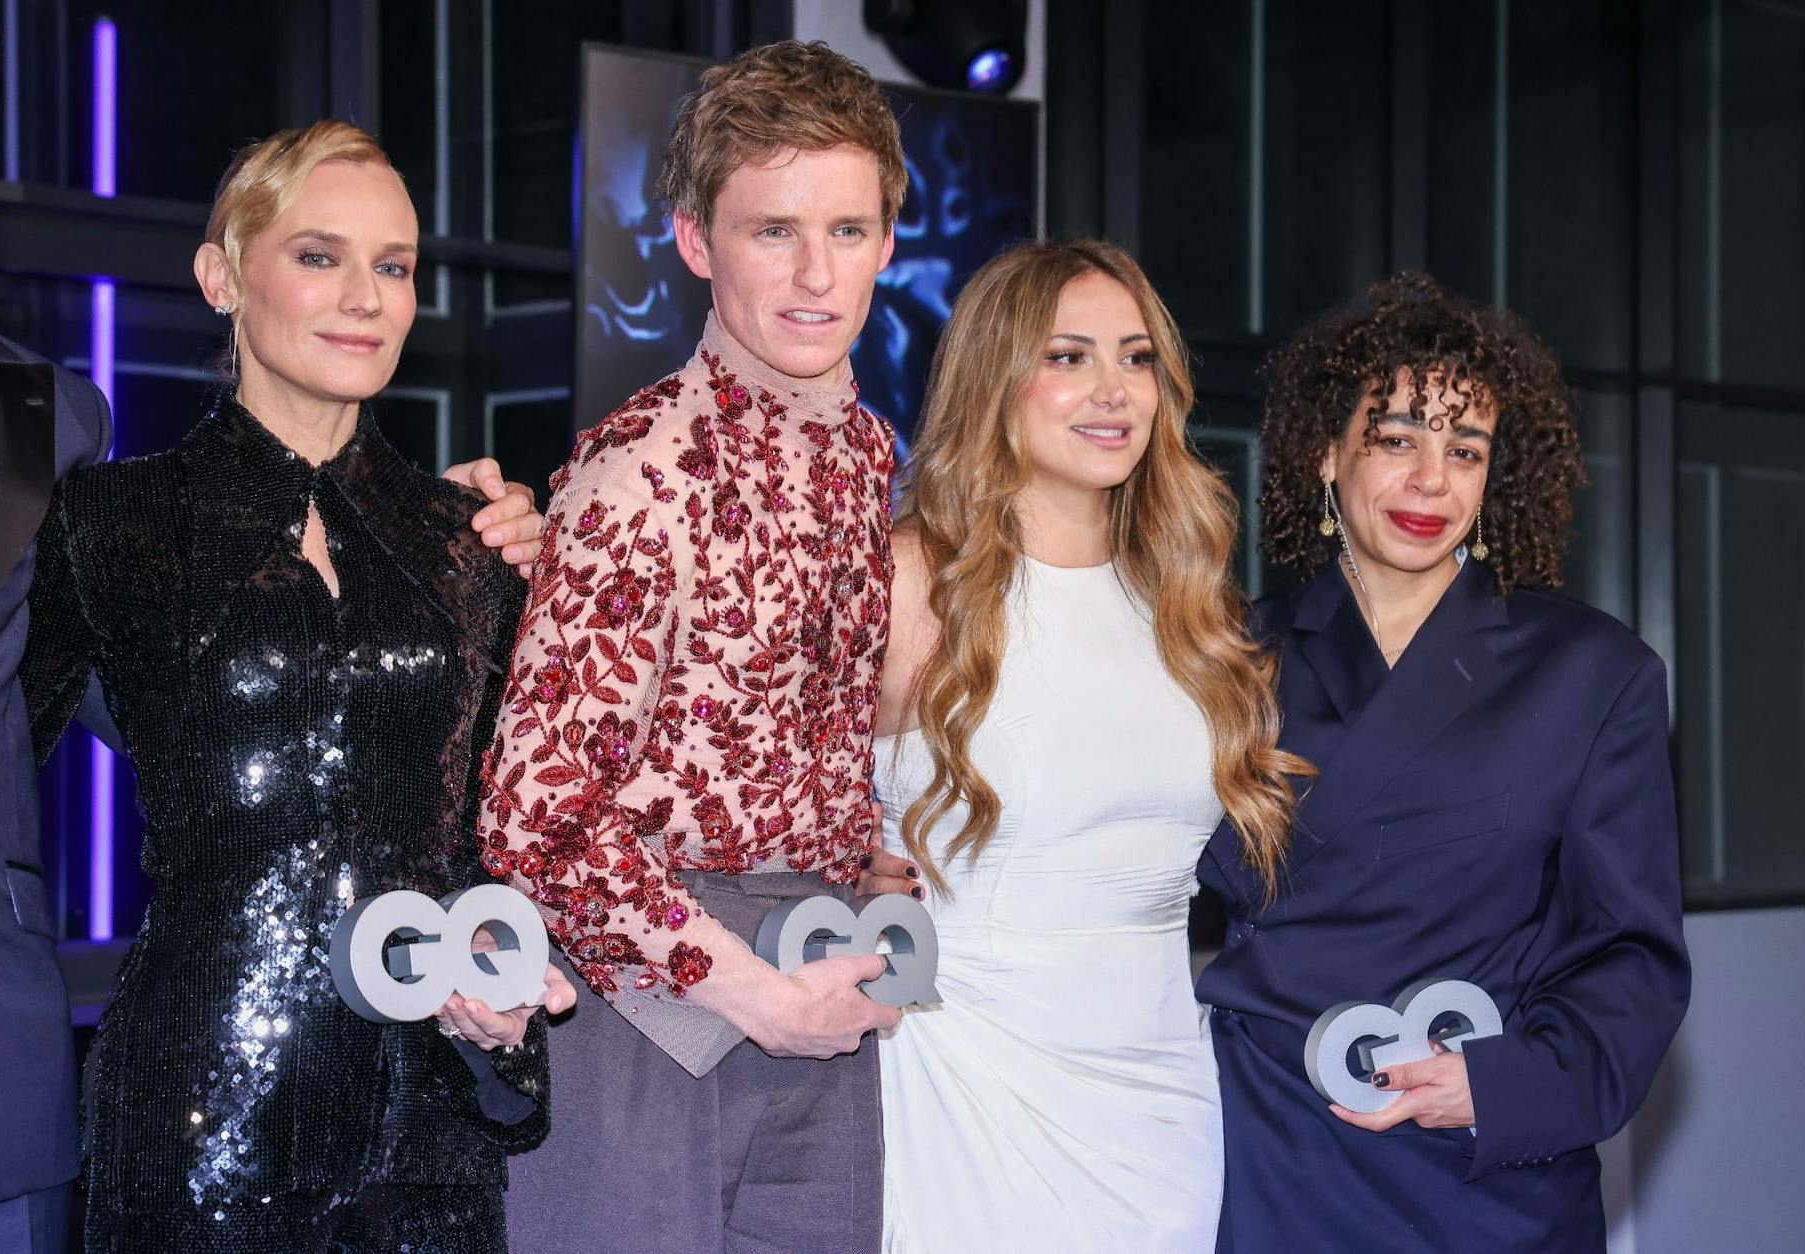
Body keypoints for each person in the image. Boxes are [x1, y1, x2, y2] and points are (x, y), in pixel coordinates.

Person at [16, 120, 576, 1253]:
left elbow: (501, 831)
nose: (365, 297)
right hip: (196, 1108)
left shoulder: (471, 540)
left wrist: (503, 982)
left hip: (424, 1125)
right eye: (320, 256)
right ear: (222, 276)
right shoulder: (108, 523)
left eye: (393, 266)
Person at [480, 41, 907, 1254]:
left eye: (846, 229)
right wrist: (752, 991)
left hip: (819, 983)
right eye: (773, 230)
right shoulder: (642, 469)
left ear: (886, 242)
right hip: (646, 1009)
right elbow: (536, 818)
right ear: (693, 240)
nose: (815, 274)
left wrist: (862, 862)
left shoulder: (867, 455)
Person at [1197, 273, 1690, 1251]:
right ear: (1325, 452)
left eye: (1464, 450)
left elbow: (1631, 957)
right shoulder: (1225, 659)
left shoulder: (1591, 673)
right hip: (1280, 1156)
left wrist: (1500, 1084)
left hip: (1486, 1180)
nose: (1432, 480)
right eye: (1396, 440)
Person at [865, 239, 1303, 1252]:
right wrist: (845, 871)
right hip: (961, 1080)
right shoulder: (912, 582)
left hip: (1159, 1105)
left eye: (1135, 358)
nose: (1113, 391)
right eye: (1067, 357)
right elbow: (758, 799)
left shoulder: (1185, 599)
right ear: (994, 378)